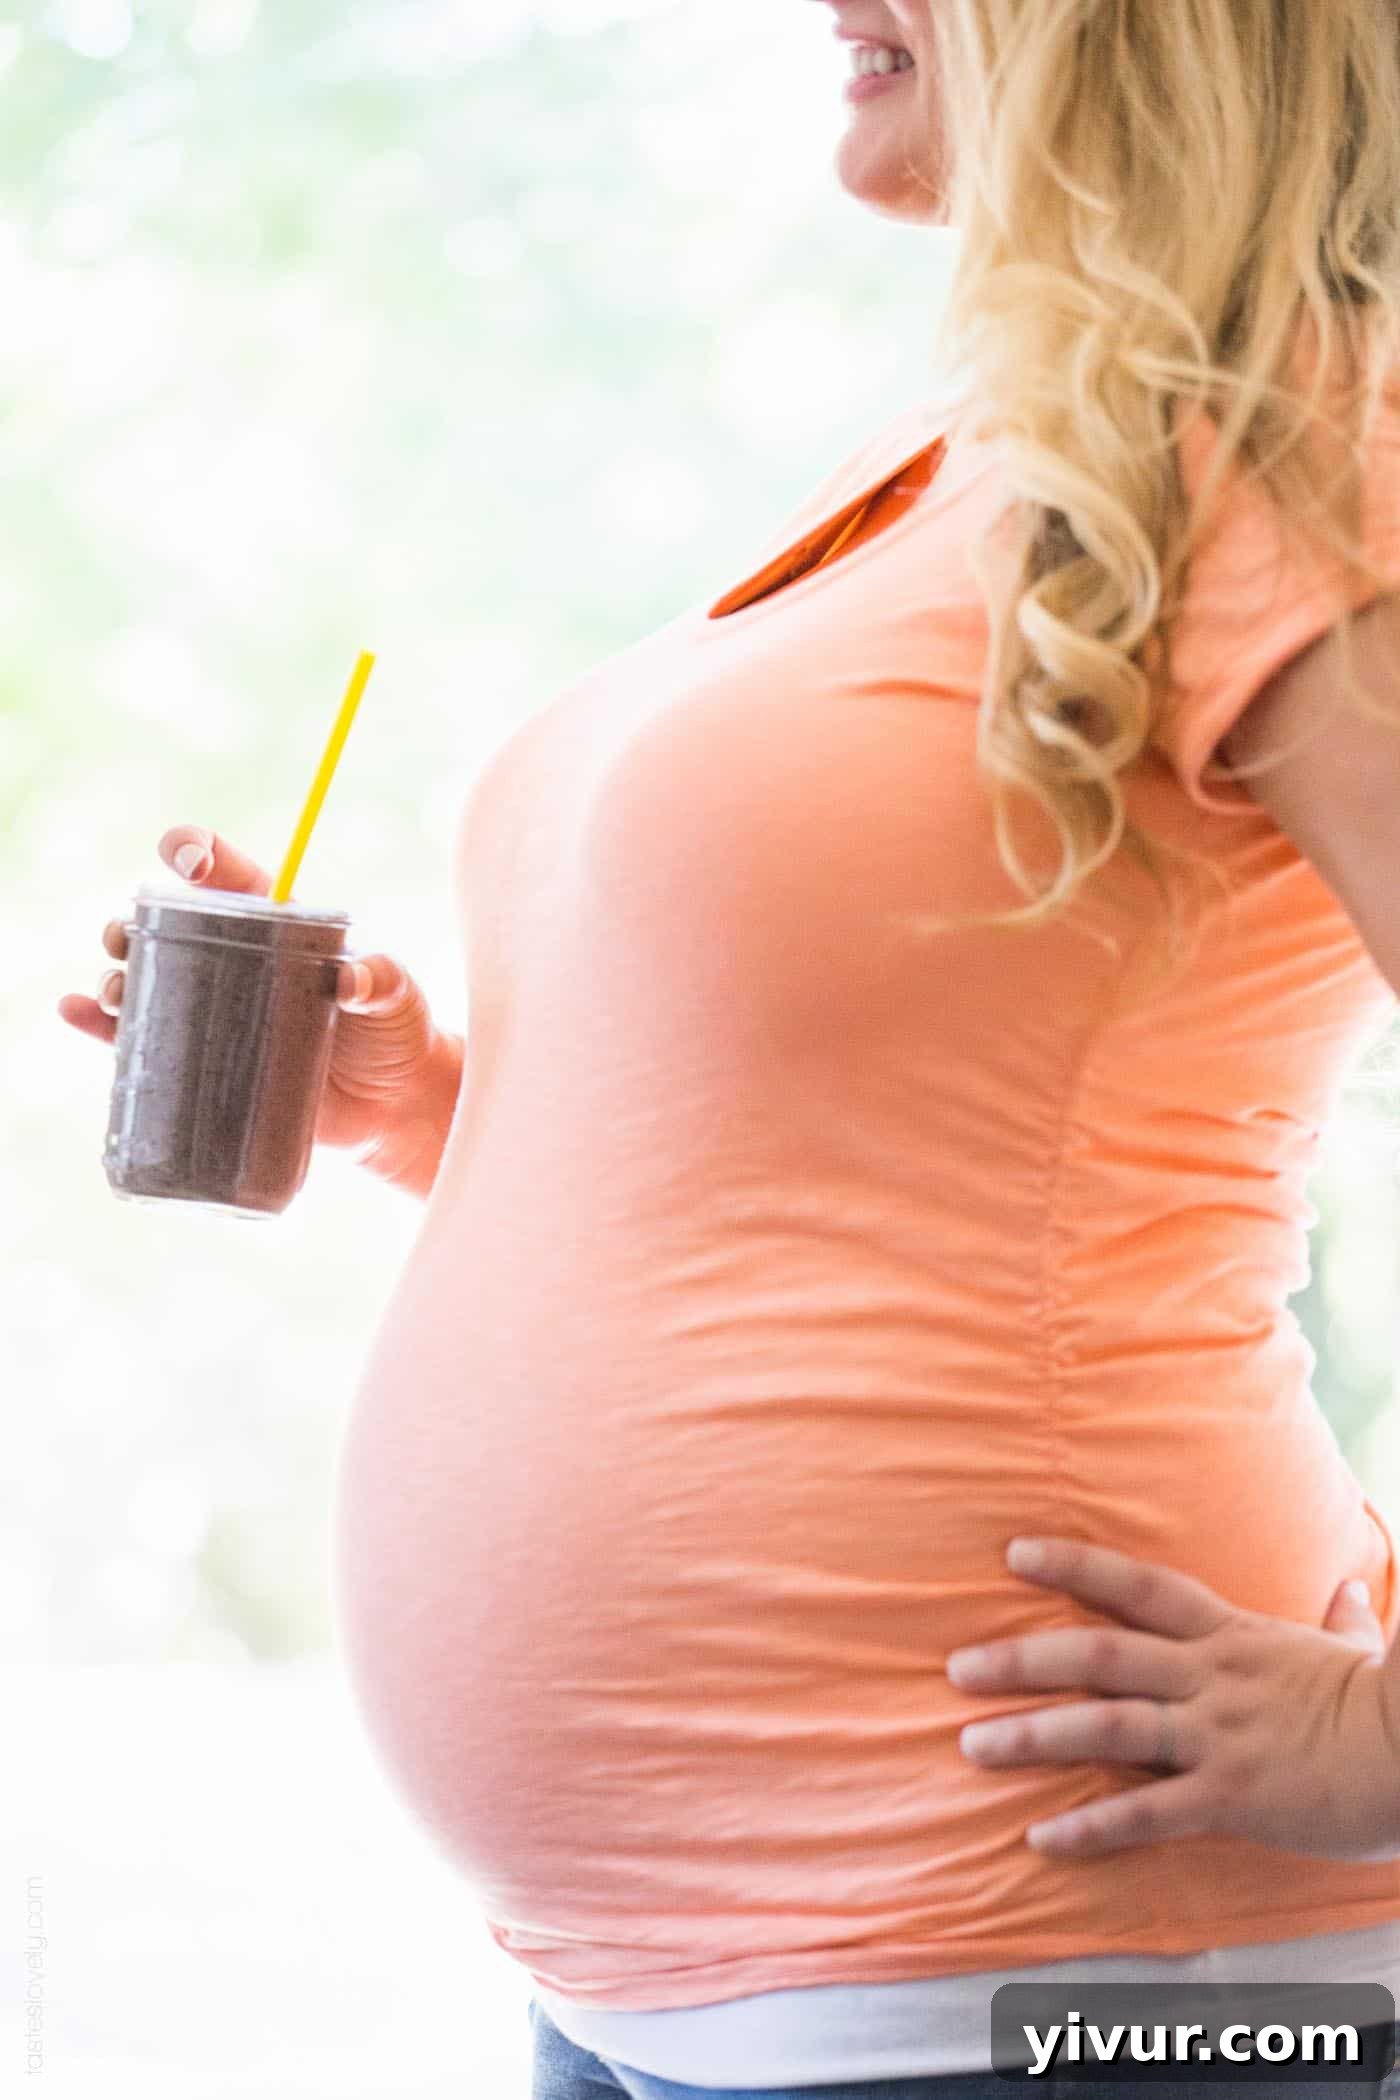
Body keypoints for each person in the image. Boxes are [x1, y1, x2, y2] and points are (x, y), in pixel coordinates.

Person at [56, 1, 1400, 2094]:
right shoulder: (981, 472)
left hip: (1066, 1978)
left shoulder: (1300, 422)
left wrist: (1392, 1734)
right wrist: (442, 1118)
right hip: (665, 1989)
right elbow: (863, 1148)